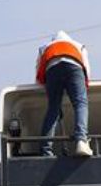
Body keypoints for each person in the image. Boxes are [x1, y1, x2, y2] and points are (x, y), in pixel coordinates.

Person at [36, 30, 93, 158]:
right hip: (74, 66)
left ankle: (46, 150)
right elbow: (86, 69)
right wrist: (84, 85)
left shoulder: (45, 47)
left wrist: (48, 88)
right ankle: (81, 141)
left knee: (53, 109)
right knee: (80, 104)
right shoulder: (78, 45)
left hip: (52, 68)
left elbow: (39, 72)